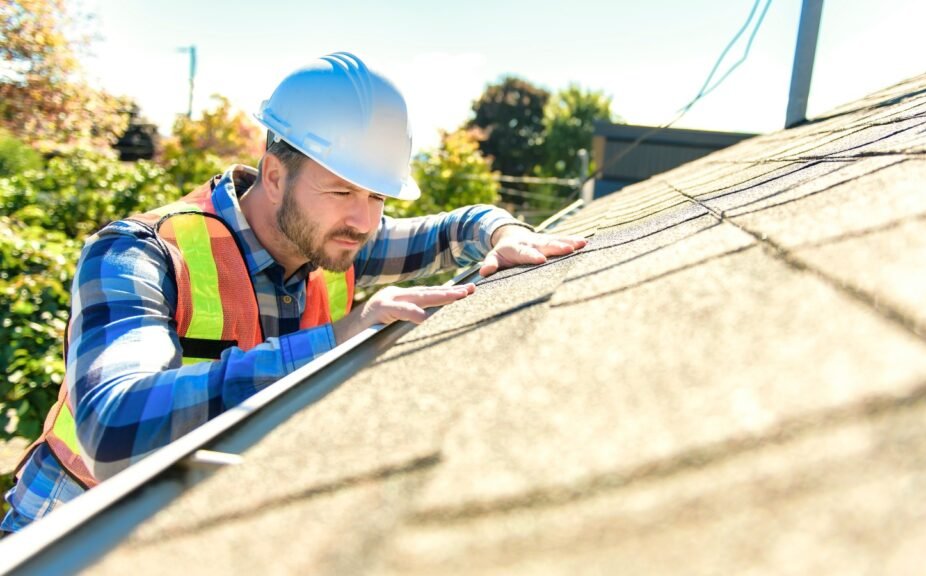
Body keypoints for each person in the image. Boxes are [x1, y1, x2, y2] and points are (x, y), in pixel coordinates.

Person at [1, 52, 586, 533]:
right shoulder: (138, 253)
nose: (364, 220)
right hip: (65, 531)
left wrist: (506, 232)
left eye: (379, 198)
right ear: (275, 175)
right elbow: (113, 428)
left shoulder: (336, 240)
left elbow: (456, 227)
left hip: (182, 529)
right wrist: (340, 339)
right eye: (343, 193)